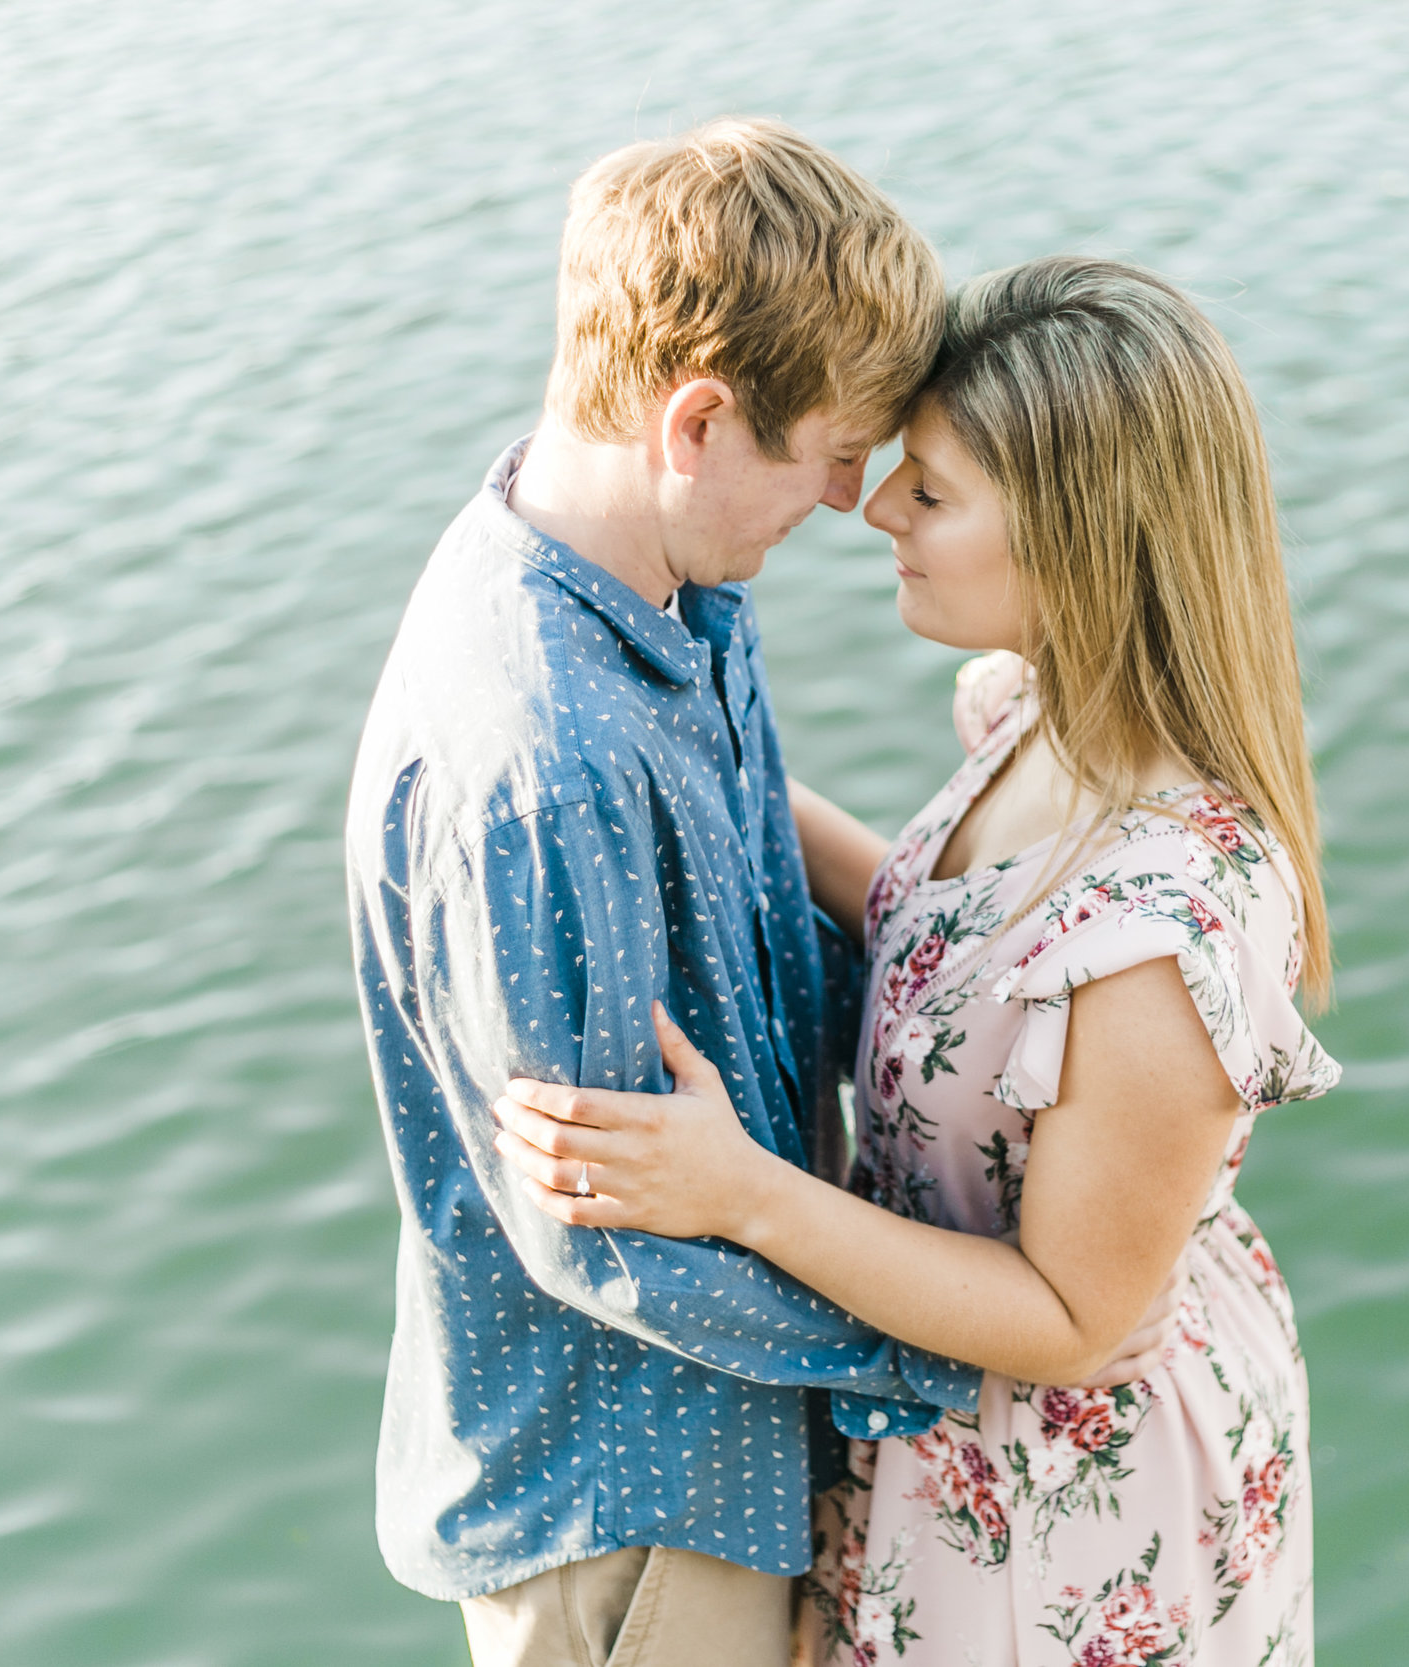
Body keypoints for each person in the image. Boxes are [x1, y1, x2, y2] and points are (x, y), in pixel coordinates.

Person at [344, 126, 1168, 1667]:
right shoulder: (544, 763)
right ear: (700, 421)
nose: (856, 499)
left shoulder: (677, 590)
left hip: (740, 1442)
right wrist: (967, 1355)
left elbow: (756, 917)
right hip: (633, 1507)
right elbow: (606, 1236)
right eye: (835, 451)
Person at [493, 256, 1340, 1666]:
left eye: (930, 489)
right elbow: (940, 919)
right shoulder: (1041, 712)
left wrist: (739, 1192)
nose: (874, 506)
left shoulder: (1168, 939)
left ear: (1078, 541)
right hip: (937, 1422)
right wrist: (679, 774)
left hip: (1069, 1495)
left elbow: (1071, 1317)